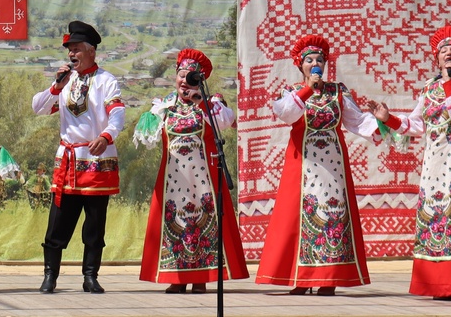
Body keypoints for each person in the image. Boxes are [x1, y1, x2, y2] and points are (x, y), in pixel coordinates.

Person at [367, 25, 451, 300]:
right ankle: (438, 283)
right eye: (444, 51)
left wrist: (450, 82)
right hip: (434, 163)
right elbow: (417, 124)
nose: (449, 53)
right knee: (437, 217)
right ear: (436, 59)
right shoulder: (429, 88)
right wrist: (388, 118)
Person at [255, 34, 379, 295]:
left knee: (331, 214)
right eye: (309, 60)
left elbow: (356, 121)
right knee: (299, 216)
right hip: (303, 164)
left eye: (319, 60)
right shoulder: (292, 93)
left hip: (333, 164)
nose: (315, 64)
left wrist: (385, 124)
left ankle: (328, 279)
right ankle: (300, 279)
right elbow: (287, 114)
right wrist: (308, 88)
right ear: (300, 66)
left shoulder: (337, 91)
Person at [136, 49, 249, 293]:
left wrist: (200, 100)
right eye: (180, 74)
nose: (184, 80)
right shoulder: (164, 105)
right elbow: (148, 137)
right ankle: (177, 278)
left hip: (203, 178)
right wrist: (148, 122)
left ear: (200, 80)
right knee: (175, 223)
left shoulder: (211, 102)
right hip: (173, 178)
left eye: (190, 76)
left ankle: (201, 278)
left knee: (203, 222)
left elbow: (226, 122)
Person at [32, 21, 125, 293]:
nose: (71, 55)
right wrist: (56, 85)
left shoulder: (106, 81)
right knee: (58, 221)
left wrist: (106, 135)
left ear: (91, 51)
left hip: (97, 161)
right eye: (69, 50)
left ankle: (90, 276)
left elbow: (117, 113)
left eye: (77, 49)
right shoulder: (65, 81)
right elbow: (38, 108)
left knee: (95, 225)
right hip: (69, 161)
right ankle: (50, 276)